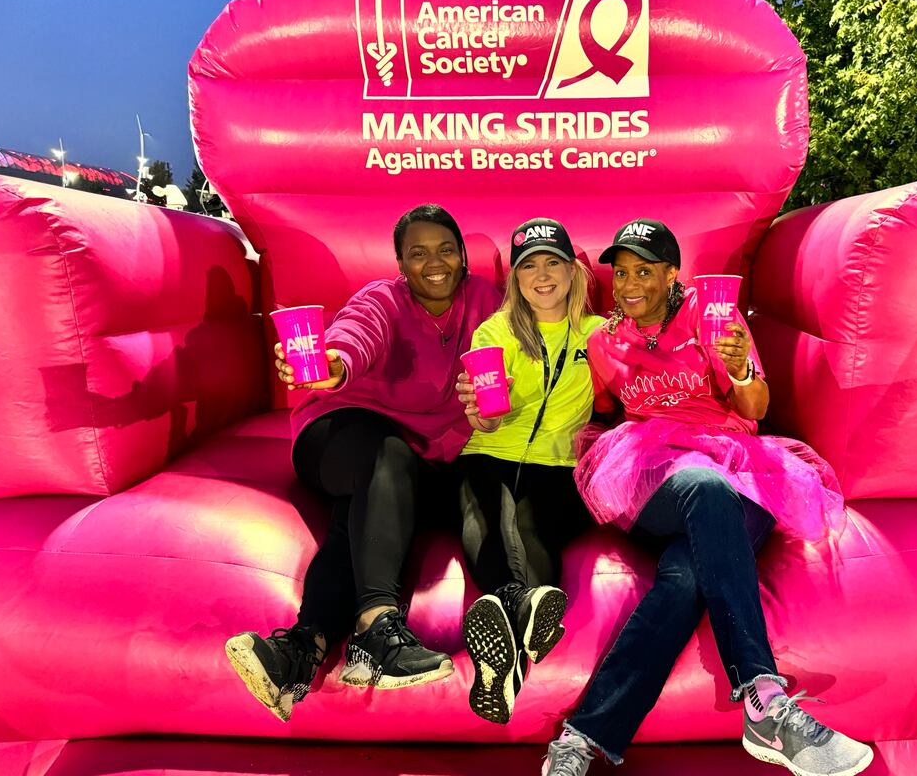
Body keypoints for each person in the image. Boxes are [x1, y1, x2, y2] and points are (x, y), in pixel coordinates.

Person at [542, 220, 873, 776]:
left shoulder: (711, 315)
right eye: (621, 273)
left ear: (673, 273)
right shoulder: (603, 341)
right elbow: (598, 409)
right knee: (703, 485)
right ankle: (765, 698)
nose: (629, 284)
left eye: (644, 271)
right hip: (653, 475)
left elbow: (754, 409)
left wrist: (741, 369)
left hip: (741, 469)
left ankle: (582, 737)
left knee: (685, 578)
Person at [224, 204, 501, 721]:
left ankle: (298, 651)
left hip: (418, 459)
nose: (434, 263)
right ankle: (376, 626)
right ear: (401, 264)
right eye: (418, 253)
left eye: (446, 249)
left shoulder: (486, 300)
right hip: (341, 433)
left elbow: (524, 338)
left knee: (360, 516)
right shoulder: (383, 300)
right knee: (385, 454)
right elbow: (356, 334)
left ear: (462, 256)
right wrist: (335, 364)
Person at [455, 218, 601, 724]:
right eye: (528, 265)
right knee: (484, 506)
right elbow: (486, 416)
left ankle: (504, 649)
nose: (541, 275)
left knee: (529, 519)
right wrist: (481, 414)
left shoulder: (597, 334)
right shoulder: (495, 332)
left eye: (553, 262)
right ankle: (519, 604)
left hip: (561, 464)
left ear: (572, 271)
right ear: (515, 278)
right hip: (489, 451)